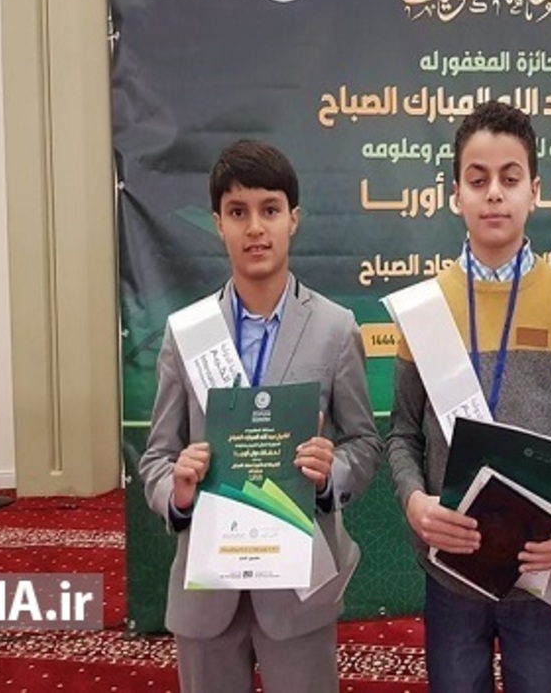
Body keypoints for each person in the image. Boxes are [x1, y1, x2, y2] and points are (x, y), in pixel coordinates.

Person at [139, 139, 383, 693]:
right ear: (218, 224)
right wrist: (176, 493)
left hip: (298, 589)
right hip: (207, 587)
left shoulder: (336, 328)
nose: (255, 228)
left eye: (269, 210)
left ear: (293, 219)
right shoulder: (186, 332)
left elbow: (364, 444)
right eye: (237, 212)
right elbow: (156, 457)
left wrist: (331, 475)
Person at [386, 101, 551, 692]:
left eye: (510, 179)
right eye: (477, 179)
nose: (493, 194)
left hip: (539, 564)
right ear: (454, 194)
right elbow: (402, 433)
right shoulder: (425, 307)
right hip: (451, 566)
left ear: (535, 190)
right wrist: (414, 503)